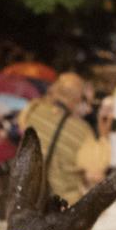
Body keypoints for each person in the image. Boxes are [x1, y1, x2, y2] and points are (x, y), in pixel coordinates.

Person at [18, 73, 94, 205]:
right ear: (76, 98)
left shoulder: (34, 109)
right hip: (63, 205)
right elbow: (93, 174)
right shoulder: (83, 131)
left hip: (28, 196)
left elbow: (22, 130)